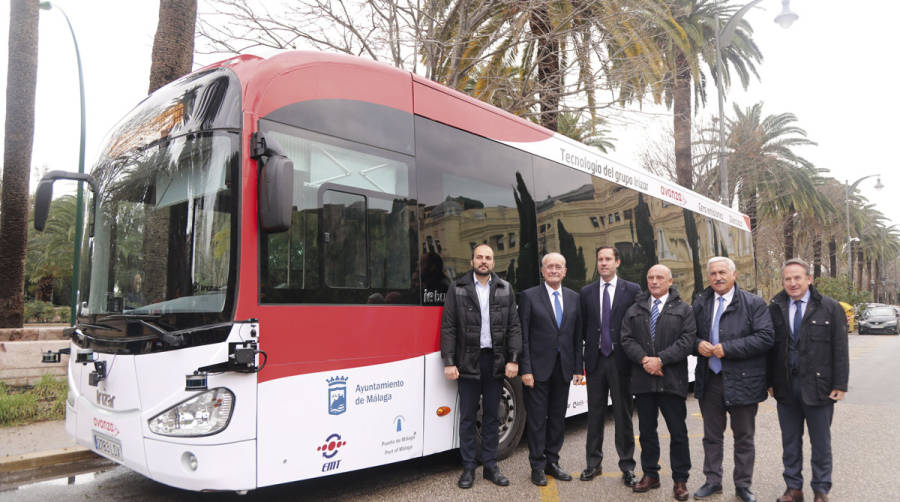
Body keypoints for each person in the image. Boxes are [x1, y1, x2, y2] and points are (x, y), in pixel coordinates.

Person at [440, 244, 522, 489]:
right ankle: (468, 468)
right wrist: (449, 362)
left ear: (493, 263)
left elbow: (514, 327)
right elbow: (449, 327)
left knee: (491, 417)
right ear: (472, 261)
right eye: (479, 257)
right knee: (467, 417)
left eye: (488, 258)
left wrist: (514, 359)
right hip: (467, 361)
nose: (484, 261)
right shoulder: (458, 288)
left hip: (495, 361)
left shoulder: (506, 289)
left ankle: (490, 466)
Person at [692, 257, 773, 502]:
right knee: (711, 436)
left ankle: (743, 485)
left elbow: (766, 337)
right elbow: (687, 335)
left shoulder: (754, 303)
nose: (718, 277)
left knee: (744, 437)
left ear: (734, 275)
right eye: (713, 273)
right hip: (711, 380)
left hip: (744, 380)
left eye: (723, 272)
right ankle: (712, 481)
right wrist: (698, 344)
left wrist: (728, 348)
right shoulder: (700, 302)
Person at [768, 258, 848, 502]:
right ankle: (794, 488)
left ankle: (821, 490)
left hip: (818, 387)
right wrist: (770, 382)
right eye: (787, 279)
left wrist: (840, 384)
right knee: (790, 442)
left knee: (821, 443)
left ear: (809, 279)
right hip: (786, 387)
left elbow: (839, 348)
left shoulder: (830, 307)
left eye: (797, 278)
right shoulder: (775, 307)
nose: (792, 283)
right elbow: (771, 348)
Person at [620, 264, 696, 501]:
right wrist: (645, 359)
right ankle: (650, 474)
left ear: (670, 281)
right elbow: (626, 338)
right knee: (646, 432)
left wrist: (661, 360)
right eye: (650, 277)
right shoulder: (635, 309)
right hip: (643, 381)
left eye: (659, 277)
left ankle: (680, 480)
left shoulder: (684, 309)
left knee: (678, 432)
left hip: (671, 380)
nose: (654, 281)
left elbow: (687, 340)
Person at [519, 252, 583, 486]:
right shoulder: (528, 297)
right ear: (542, 271)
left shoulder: (574, 298)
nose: (554, 270)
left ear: (565, 271)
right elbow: (523, 336)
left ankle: (552, 462)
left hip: (563, 369)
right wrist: (525, 369)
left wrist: (578, 368)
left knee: (557, 418)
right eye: (549, 267)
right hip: (536, 371)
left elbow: (577, 337)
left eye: (558, 267)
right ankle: (537, 465)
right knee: (536, 420)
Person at [579, 246, 641, 485]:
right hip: (595, 361)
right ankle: (593, 464)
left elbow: (637, 324)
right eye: (600, 260)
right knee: (594, 415)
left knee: (622, 414)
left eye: (608, 259)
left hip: (621, 361)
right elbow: (583, 327)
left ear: (617, 262)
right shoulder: (586, 292)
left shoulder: (632, 290)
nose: (603, 263)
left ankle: (627, 466)